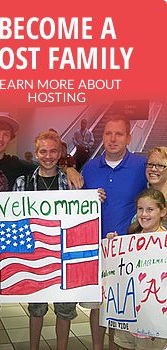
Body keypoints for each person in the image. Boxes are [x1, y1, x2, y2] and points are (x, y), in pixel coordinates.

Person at [0, 112, 83, 350]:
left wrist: (70, 166)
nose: (0, 137)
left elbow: (48, 162)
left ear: (11, 137)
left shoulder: (17, 165)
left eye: (6, 133)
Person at [80, 115, 147, 350]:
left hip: (126, 251)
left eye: (119, 134)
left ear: (129, 137)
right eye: (108, 133)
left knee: (120, 307)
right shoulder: (89, 167)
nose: (113, 138)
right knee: (97, 306)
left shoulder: (141, 167)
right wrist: (69, 170)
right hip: (95, 249)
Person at [13, 130, 77, 350]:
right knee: (36, 308)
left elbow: (82, 213)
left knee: (65, 310)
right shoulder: (23, 183)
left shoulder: (71, 182)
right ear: (36, 152)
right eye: (43, 151)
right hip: (35, 256)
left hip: (64, 255)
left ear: (60, 152)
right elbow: (13, 216)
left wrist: (95, 199)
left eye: (52, 151)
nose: (48, 156)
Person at [110, 188, 167, 350]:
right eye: (140, 209)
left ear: (162, 212)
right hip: (129, 316)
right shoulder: (131, 237)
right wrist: (113, 247)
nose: (144, 214)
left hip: (155, 320)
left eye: (150, 209)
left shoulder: (165, 242)